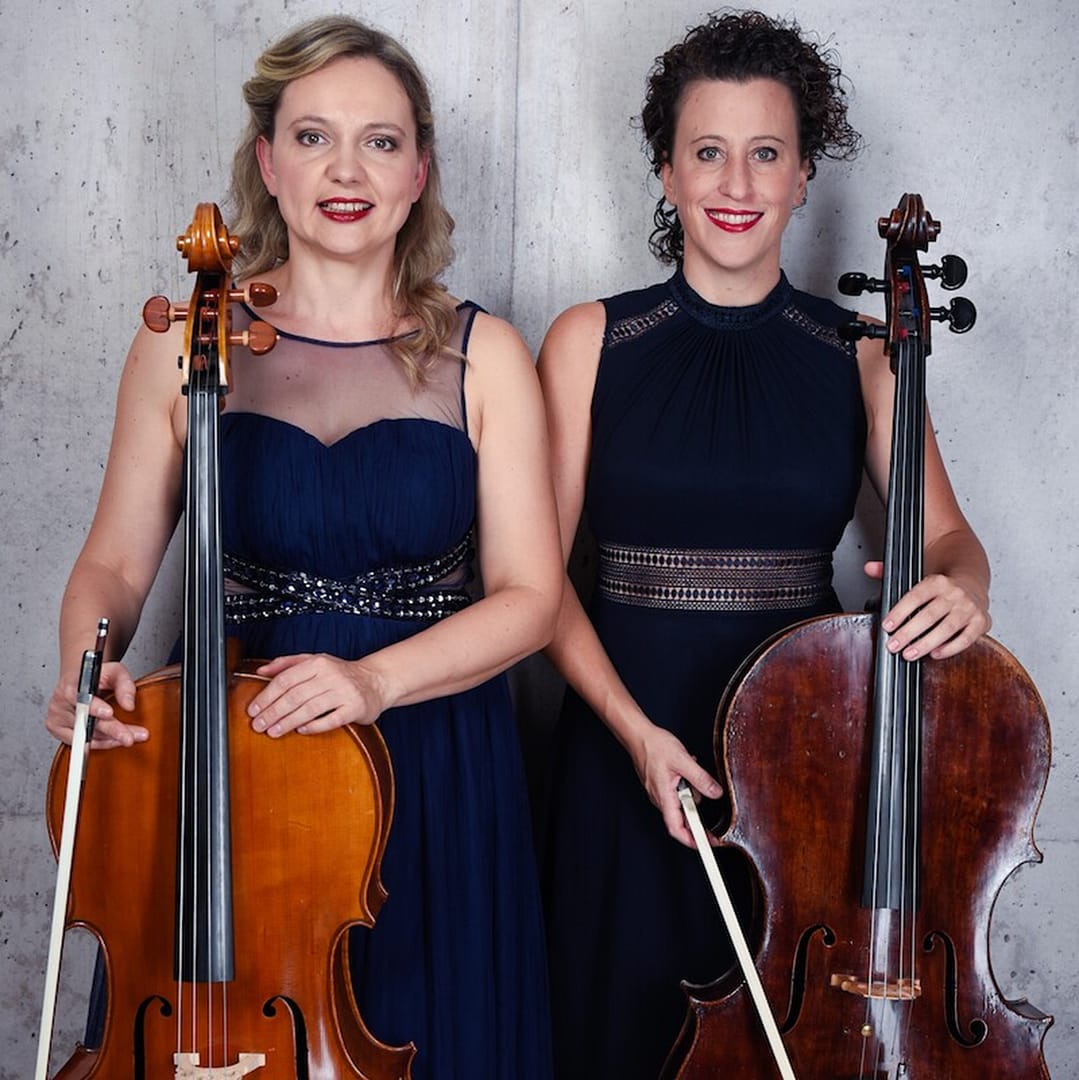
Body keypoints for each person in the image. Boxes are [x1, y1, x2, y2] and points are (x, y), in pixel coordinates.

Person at [44, 15, 561, 1078]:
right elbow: (116, 567)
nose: (346, 170)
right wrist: (85, 665)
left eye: (379, 141)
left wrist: (374, 682)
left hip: (431, 749)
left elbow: (530, 598)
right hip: (236, 752)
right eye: (313, 137)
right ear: (268, 163)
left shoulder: (485, 354)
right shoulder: (181, 342)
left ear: (418, 171)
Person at [538, 11, 992, 1078]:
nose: (734, 182)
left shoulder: (862, 352)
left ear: (801, 177)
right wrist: (635, 737)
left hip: (804, 767)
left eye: (764, 153)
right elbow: (533, 584)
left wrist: (964, 586)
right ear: (665, 173)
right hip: (622, 743)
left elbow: (948, 537)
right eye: (706, 152)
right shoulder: (589, 339)